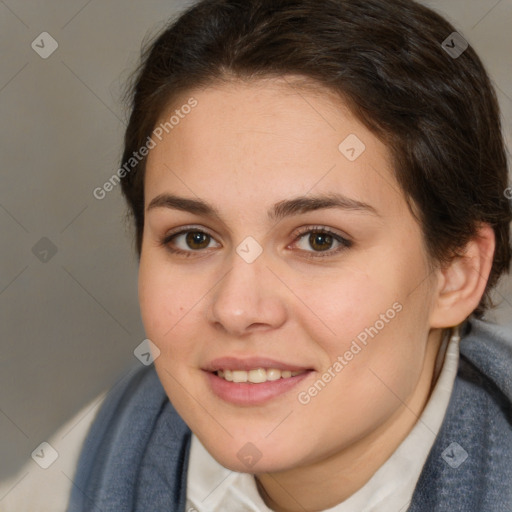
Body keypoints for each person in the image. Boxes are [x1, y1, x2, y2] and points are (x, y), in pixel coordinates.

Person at [10, 0, 512, 510]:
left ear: (457, 273)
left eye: (320, 240)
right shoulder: (92, 461)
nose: (237, 309)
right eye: (194, 238)